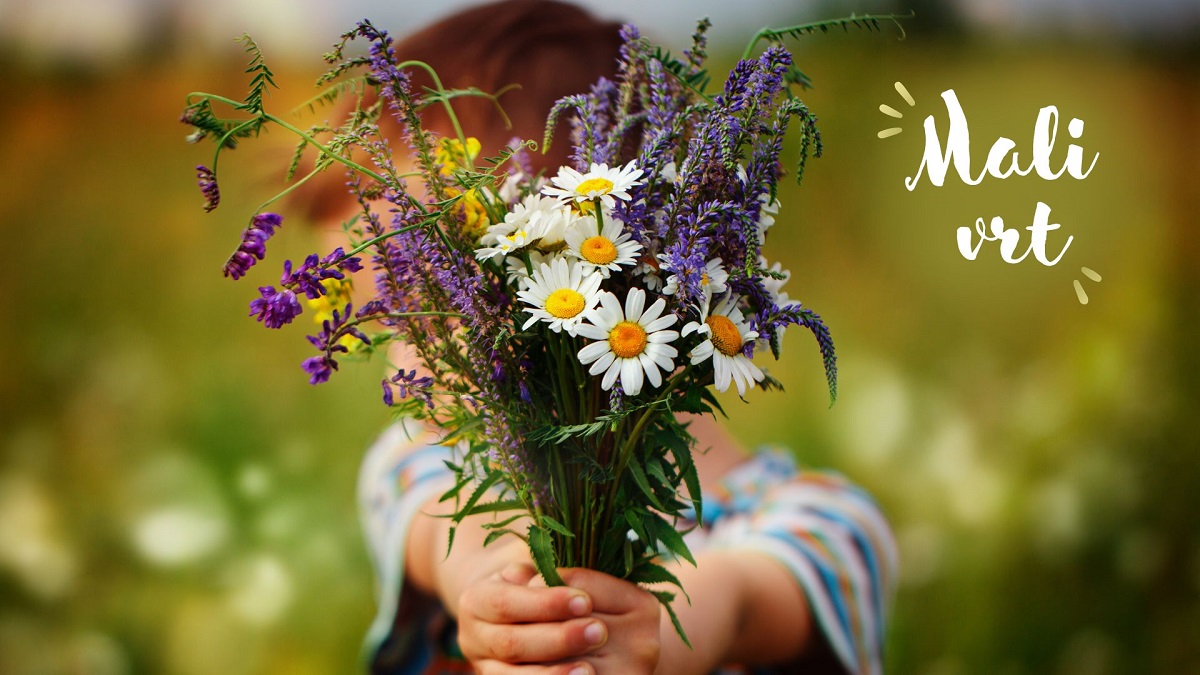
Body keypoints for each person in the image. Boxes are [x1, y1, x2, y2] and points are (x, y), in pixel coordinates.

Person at [342, 2, 899, 673]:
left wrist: (668, 627)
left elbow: (751, 594)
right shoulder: (422, 465)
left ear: (590, 266)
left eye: (430, 314)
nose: (406, 360)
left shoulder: (825, 522)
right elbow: (445, 536)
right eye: (390, 319)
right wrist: (500, 595)